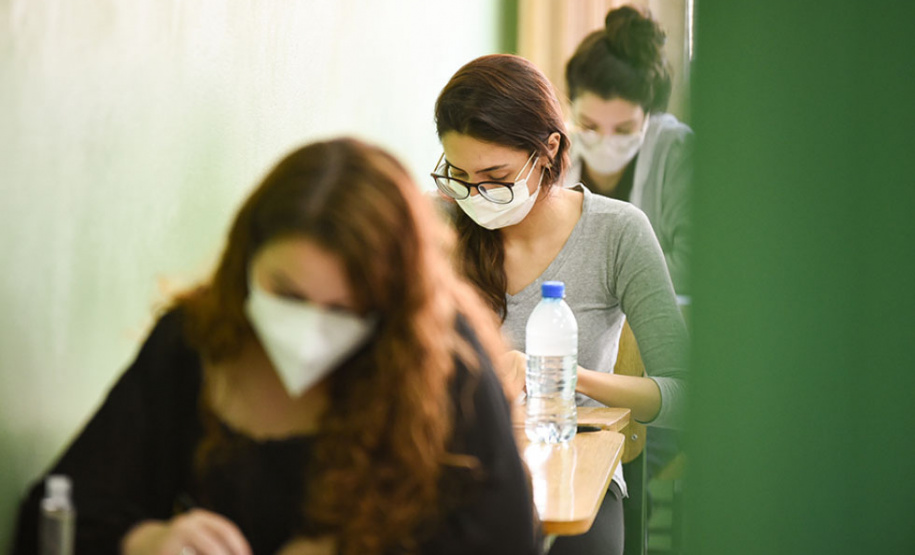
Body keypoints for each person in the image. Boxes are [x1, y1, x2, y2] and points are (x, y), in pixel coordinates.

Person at [12, 138, 540, 555]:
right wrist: (143, 541)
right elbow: (58, 511)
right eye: (286, 293)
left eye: (342, 310)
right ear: (245, 261)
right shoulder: (194, 342)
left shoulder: (446, 362)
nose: (309, 328)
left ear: (392, 305)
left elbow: (506, 540)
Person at [431, 54, 688, 555]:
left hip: (577, 472)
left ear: (547, 151)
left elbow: (684, 393)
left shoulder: (616, 232)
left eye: (495, 175)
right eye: (459, 175)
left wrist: (560, 377)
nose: (474, 194)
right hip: (460, 463)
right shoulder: (436, 223)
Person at [565, 5, 693, 298]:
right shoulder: (555, 149)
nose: (605, 140)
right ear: (571, 106)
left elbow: (692, 263)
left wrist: (592, 282)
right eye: (589, 125)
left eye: (623, 129)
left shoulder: (675, 151)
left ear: (649, 115)